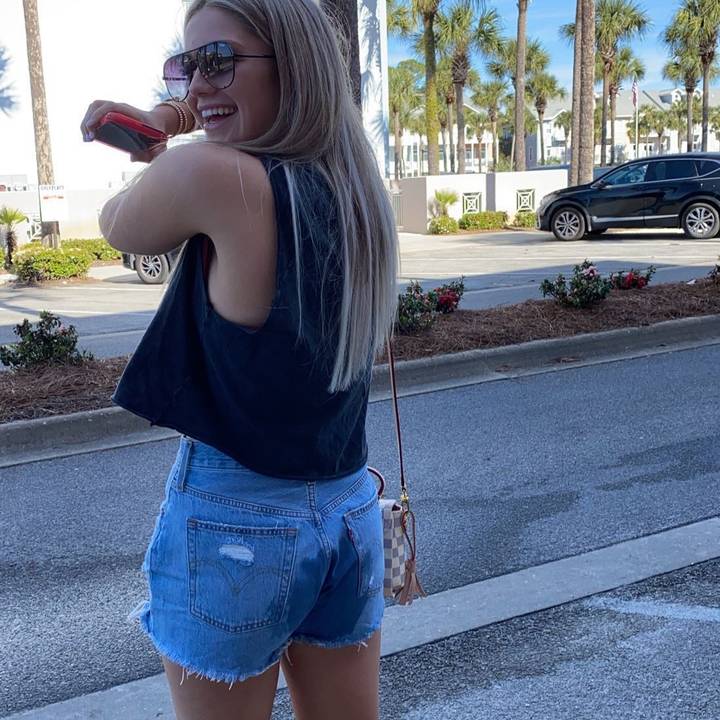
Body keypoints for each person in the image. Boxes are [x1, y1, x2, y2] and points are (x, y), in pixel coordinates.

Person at [80, 1, 398, 718]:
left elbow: (118, 225)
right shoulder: (355, 189)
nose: (198, 83)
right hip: (349, 507)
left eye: (219, 60)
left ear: (296, 66)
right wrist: (198, 109)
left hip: (236, 519)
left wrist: (164, 125)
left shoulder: (213, 176)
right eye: (186, 65)